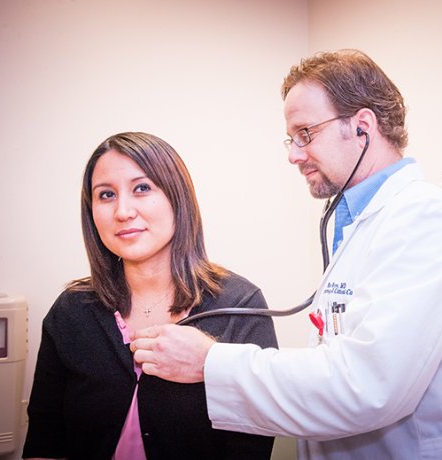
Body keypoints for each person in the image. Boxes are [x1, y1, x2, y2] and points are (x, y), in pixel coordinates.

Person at [132, 50, 442, 459]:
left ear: (362, 127)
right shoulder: (358, 222)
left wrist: (210, 362)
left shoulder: (427, 220)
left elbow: (369, 387)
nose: (294, 154)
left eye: (306, 132)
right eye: (292, 138)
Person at [22, 132, 277, 460]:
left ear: (177, 196)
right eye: (106, 195)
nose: (123, 211)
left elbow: (252, 443)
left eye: (141, 188)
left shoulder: (240, 306)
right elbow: (46, 438)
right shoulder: (71, 310)